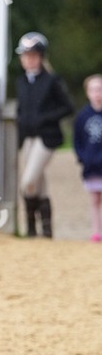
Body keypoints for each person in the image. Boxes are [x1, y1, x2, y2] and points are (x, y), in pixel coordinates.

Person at [15, 31, 73, 238]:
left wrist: (45, 118)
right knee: (38, 182)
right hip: (27, 137)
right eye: (25, 56)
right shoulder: (21, 81)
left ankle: (35, 224)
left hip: (45, 136)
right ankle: (40, 228)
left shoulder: (51, 80)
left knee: (28, 181)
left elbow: (67, 107)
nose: (28, 60)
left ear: (40, 57)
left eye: (32, 55)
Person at [73, 74, 102, 242]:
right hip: (91, 166)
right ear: (87, 93)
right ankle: (96, 231)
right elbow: (77, 141)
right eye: (93, 90)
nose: (97, 93)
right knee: (94, 199)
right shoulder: (82, 117)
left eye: (100, 89)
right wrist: (83, 158)